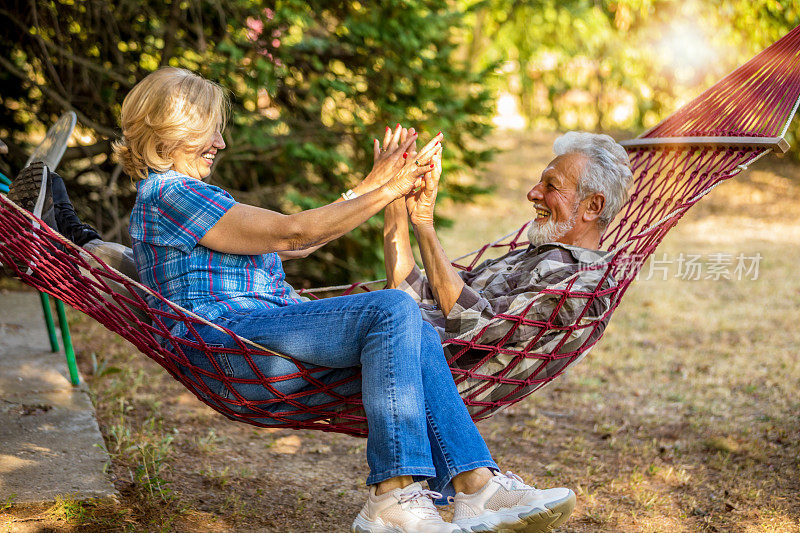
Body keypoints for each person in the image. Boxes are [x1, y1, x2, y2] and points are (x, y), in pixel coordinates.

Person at [9, 67, 576, 533]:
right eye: (210, 131)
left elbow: (299, 239)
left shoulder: (184, 198)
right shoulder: (172, 194)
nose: (222, 143)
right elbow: (293, 235)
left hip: (260, 337)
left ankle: (474, 484)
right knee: (394, 309)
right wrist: (385, 189)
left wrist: (382, 194)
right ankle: (395, 495)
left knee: (411, 327)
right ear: (167, 136)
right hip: (233, 347)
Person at [384, 132, 632, 416]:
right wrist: (395, 198)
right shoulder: (532, 254)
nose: (533, 193)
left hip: (416, 376)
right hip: (395, 347)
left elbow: (476, 325)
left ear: (593, 206)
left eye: (551, 185)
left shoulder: (583, 285)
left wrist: (425, 223)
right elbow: (412, 293)